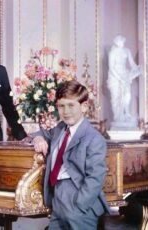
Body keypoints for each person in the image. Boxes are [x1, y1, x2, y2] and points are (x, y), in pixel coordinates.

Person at [32, 80, 109, 229]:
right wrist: (39, 138)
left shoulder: (93, 138)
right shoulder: (60, 129)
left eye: (71, 105)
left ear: (84, 106)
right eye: (61, 106)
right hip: (57, 196)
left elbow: (95, 177)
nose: (66, 111)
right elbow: (40, 132)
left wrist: (79, 205)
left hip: (78, 200)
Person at [107, 35, 141, 124]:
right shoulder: (112, 52)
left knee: (127, 95)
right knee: (116, 97)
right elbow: (111, 68)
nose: (122, 43)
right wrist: (119, 78)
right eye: (120, 41)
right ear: (116, 42)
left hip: (125, 75)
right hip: (114, 77)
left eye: (122, 41)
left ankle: (127, 113)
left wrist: (137, 68)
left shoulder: (127, 51)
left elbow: (132, 63)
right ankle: (118, 116)